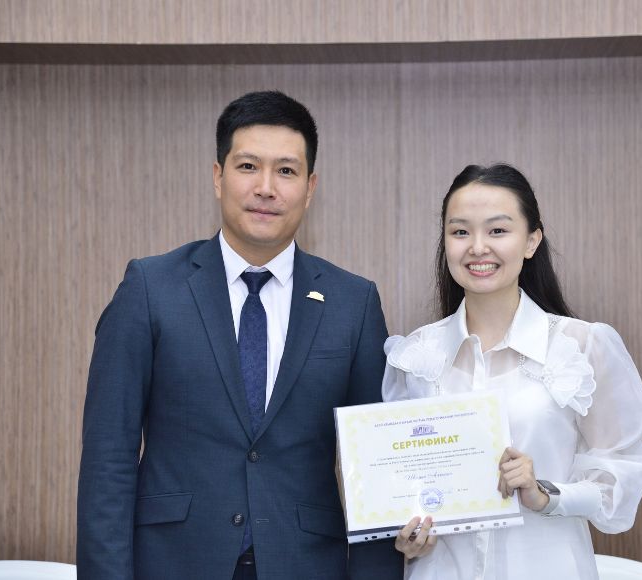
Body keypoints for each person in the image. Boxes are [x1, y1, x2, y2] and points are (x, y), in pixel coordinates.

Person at [77, 91, 403, 580]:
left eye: (286, 171)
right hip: (174, 563)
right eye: (248, 166)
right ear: (218, 176)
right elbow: (109, 459)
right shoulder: (150, 288)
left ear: (310, 187)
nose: (266, 188)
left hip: (304, 565)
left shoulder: (352, 303)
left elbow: (375, 475)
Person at [383, 164, 642, 579]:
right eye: (460, 232)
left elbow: (621, 478)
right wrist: (406, 537)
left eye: (498, 230)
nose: (478, 247)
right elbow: (400, 483)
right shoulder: (414, 356)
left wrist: (545, 494)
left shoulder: (581, 346)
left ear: (532, 241)